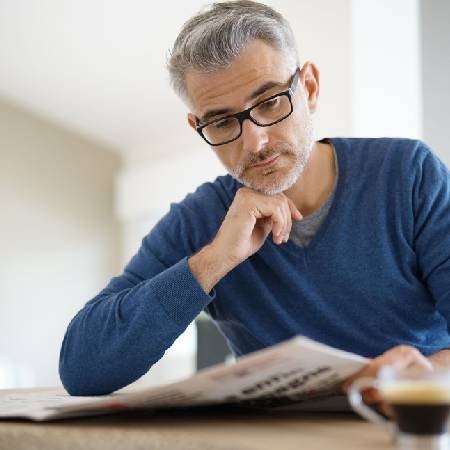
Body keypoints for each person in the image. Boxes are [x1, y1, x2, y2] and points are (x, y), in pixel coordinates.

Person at [59, 0, 450, 400]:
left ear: (309, 88)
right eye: (223, 121)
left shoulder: (408, 174)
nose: (256, 142)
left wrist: (427, 374)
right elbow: (81, 369)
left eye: (270, 102)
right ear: (199, 127)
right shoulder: (201, 221)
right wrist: (213, 261)